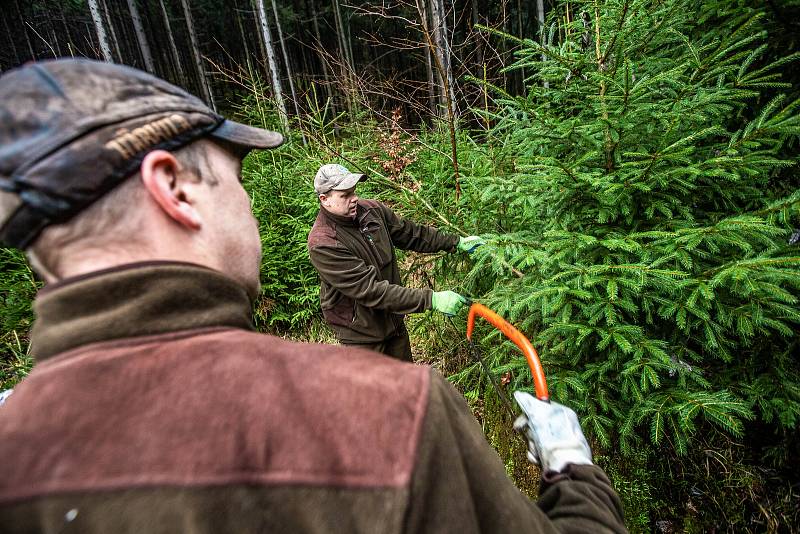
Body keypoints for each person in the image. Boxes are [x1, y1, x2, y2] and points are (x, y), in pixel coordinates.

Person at [0, 59, 626, 533]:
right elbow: (366, 289)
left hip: (390, 326)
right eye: (235, 178)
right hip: (361, 324)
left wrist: (459, 243)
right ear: (175, 189)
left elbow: (414, 231)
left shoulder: (14, 449)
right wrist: (571, 472)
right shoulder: (395, 414)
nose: (244, 202)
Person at [308, 164, 484, 361]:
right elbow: (370, 290)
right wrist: (431, 299)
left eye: (354, 191)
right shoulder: (324, 243)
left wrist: (456, 242)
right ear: (325, 199)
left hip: (393, 321)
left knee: (406, 384)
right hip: (361, 336)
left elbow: (412, 234)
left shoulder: (371, 211)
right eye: (345, 195)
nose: (354, 198)